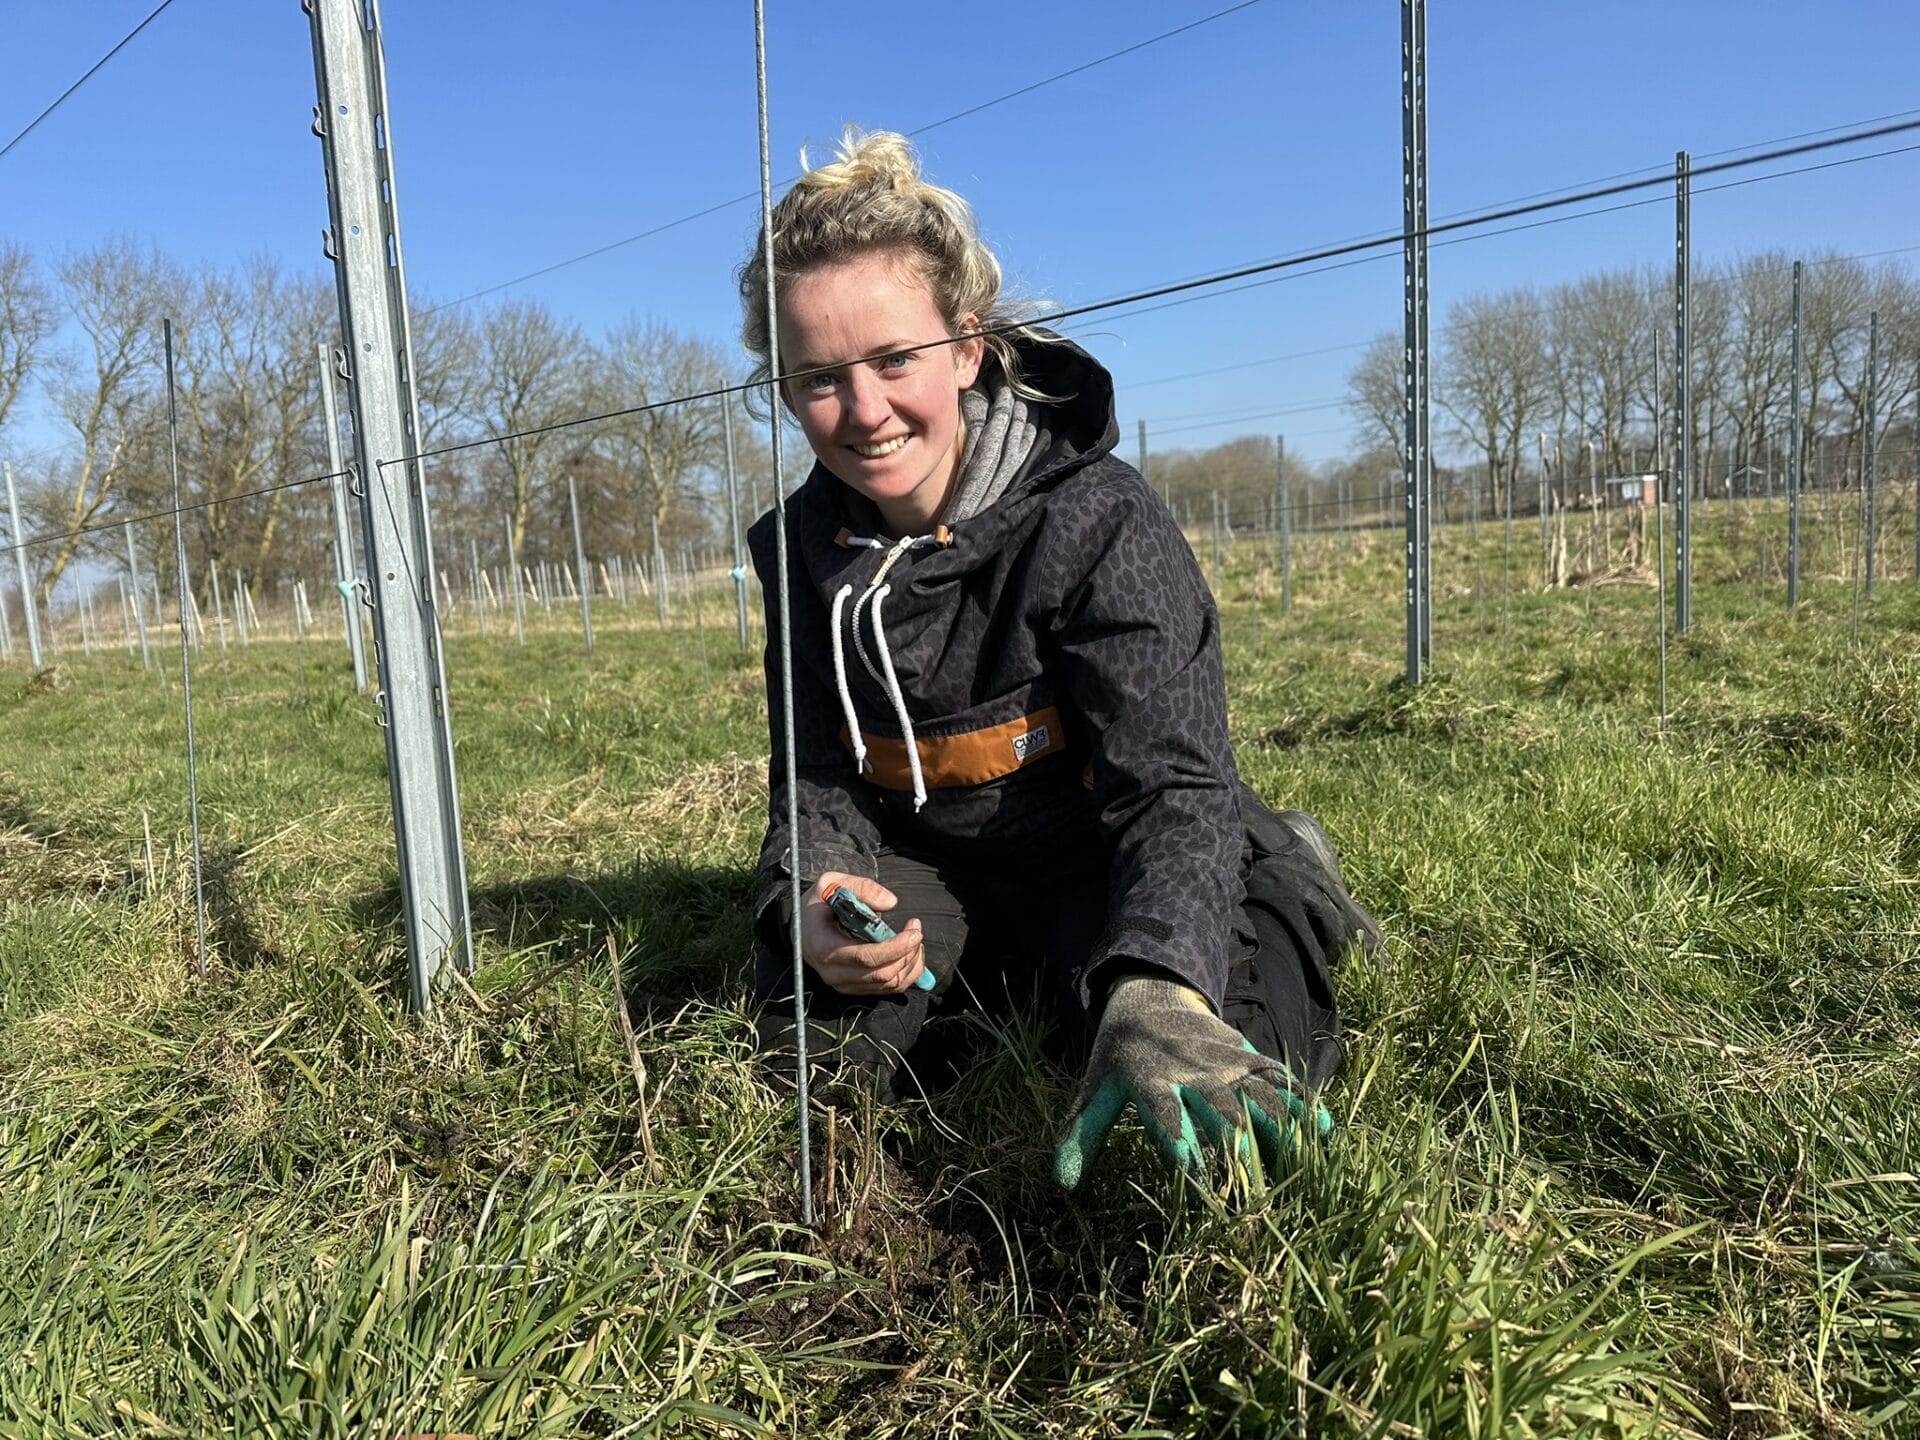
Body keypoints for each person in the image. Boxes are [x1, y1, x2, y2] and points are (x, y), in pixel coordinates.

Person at [737, 129, 1381, 1191]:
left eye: (895, 359)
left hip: (1105, 845)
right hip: (936, 867)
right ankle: (1012, 976)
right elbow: (814, 775)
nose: (862, 412)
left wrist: (1160, 986)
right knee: (815, 1065)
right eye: (818, 378)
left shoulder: (1096, 516)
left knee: (1215, 1100)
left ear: (967, 346)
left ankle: (1280, 875)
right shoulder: (797, 550)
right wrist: (812, 898)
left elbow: (1169, 781)